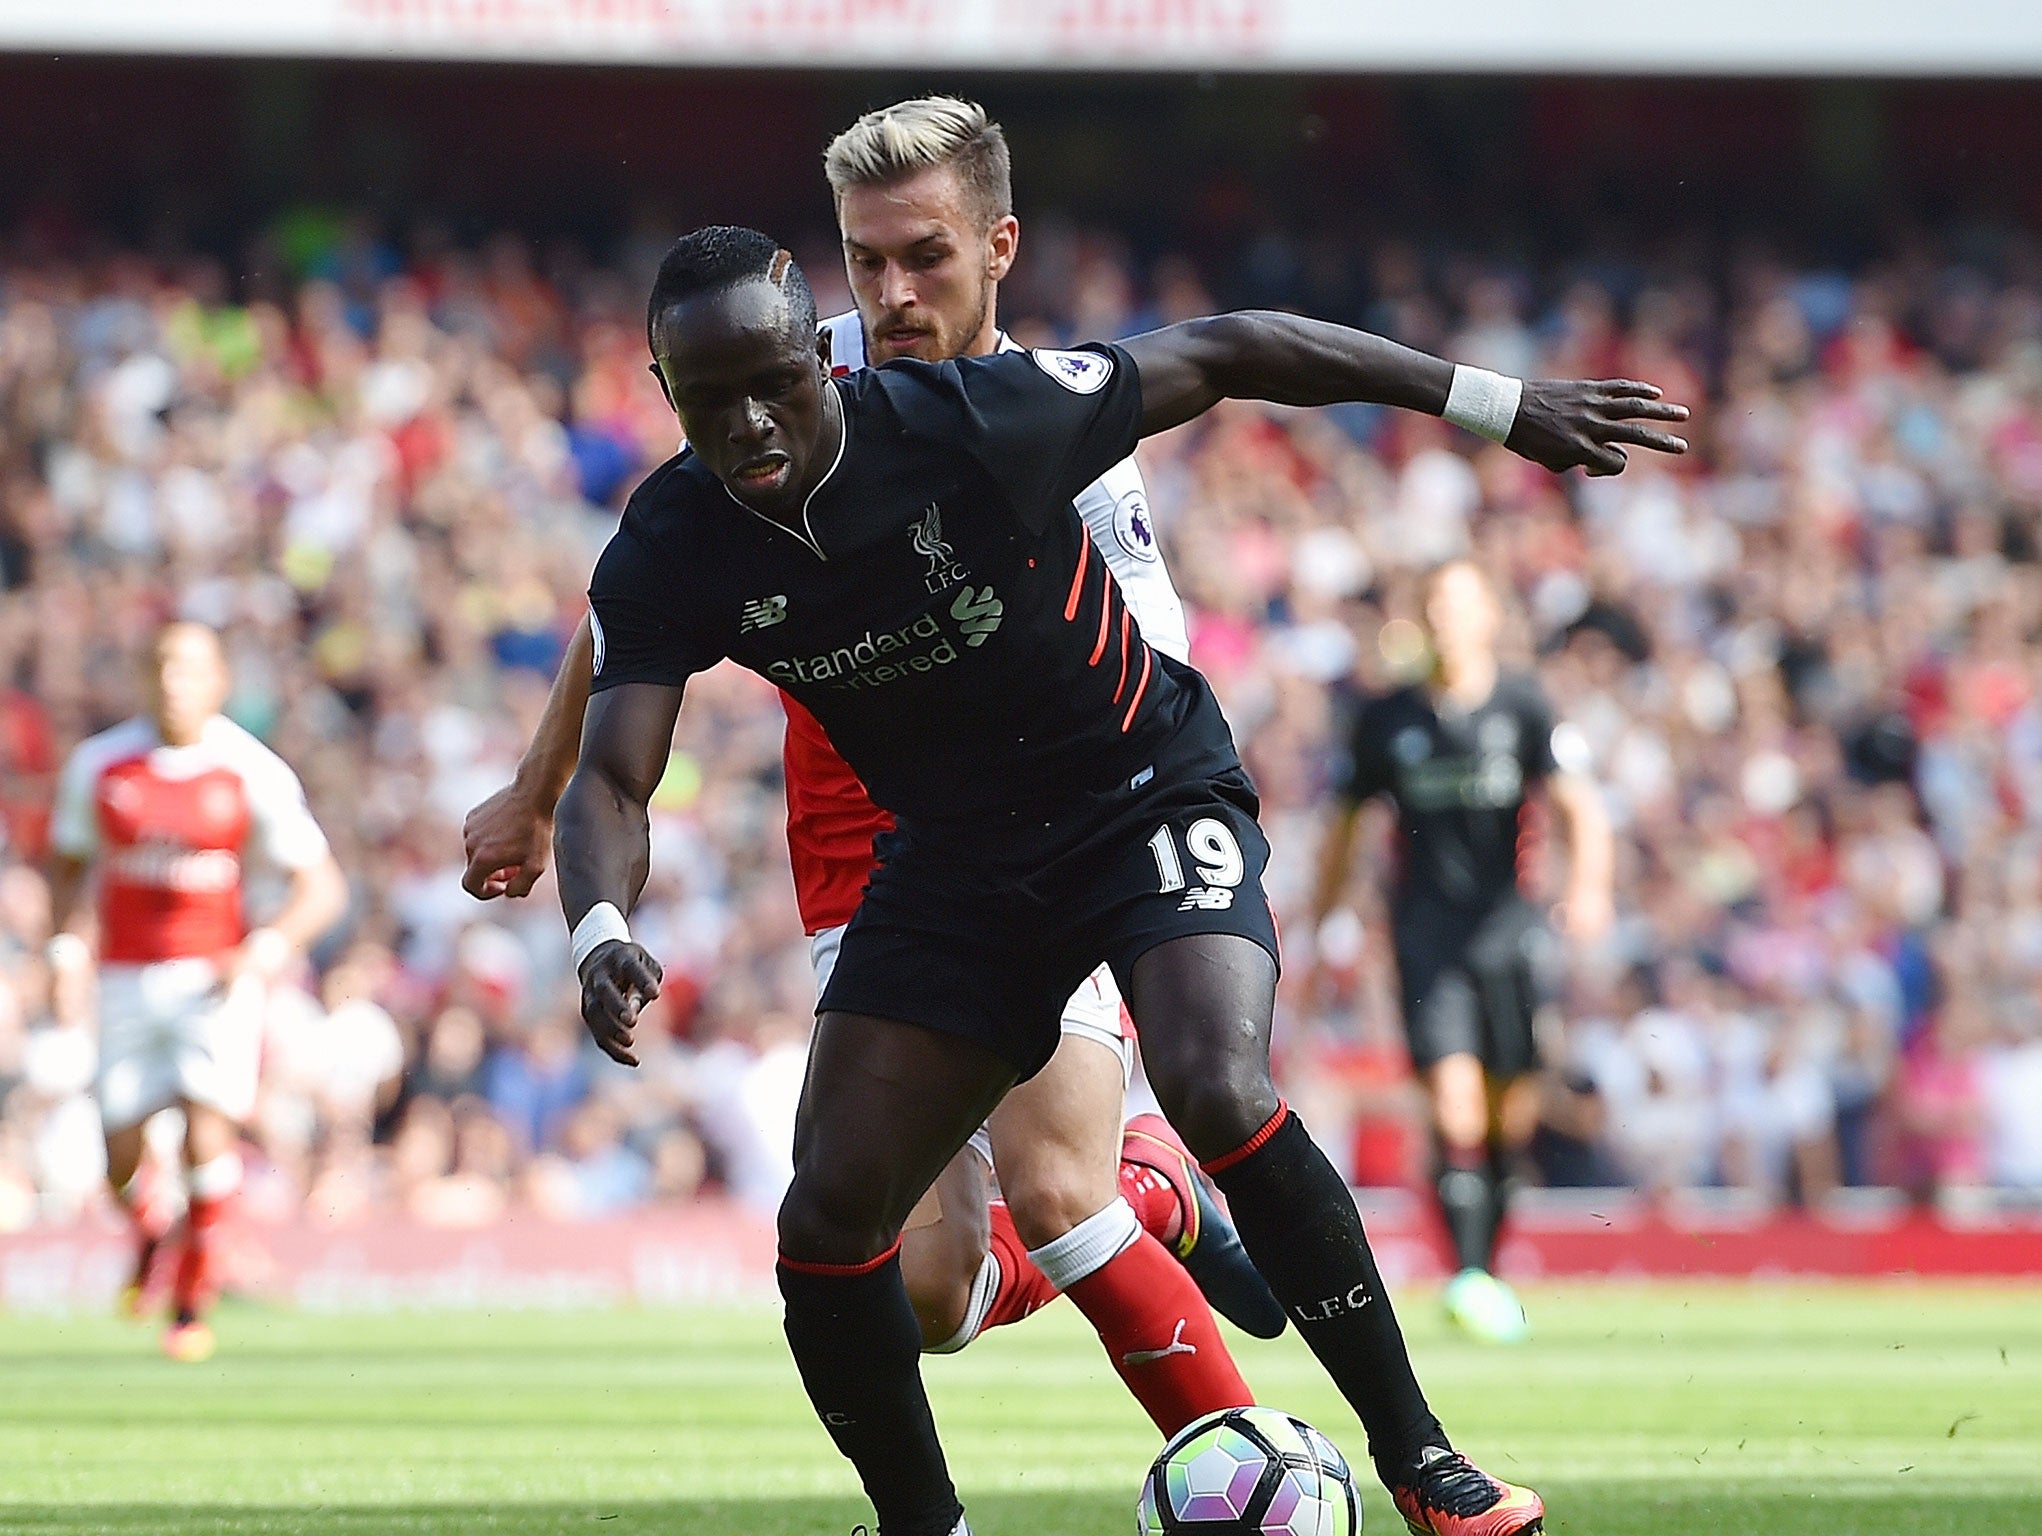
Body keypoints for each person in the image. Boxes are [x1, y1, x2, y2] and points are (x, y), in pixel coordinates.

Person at [558, 222, 1686, 1536]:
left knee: (1215, 1078)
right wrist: (597, 926)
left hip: (1138, 789)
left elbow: (1227, 350)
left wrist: (1495, 405)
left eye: (773, 382)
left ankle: (1425, 1461)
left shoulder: (964, 418)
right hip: (962, 863)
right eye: (708, 402)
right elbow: (615, 775)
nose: (748, 423)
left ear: (825, 354)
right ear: (665, 394)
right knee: (827, 1224)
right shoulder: (676, 538)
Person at [462, 96, 1280, 1439]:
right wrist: (542, 785)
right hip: (854, 826)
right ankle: (1160, 1190)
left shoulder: (1049, 422)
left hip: (1039, 803)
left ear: (995, 251)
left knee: (1056, 1192)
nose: (892, 293)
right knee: (929, 1290)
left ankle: (1253, 1471)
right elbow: (641, 598)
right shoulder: (778, 375)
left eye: (923, 259)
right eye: (866, 260)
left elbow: (1150, 658)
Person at [1310, 561, 1614, 1343]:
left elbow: (1581, 809)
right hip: (1425, 938)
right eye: (1434, 603)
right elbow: (1347, 827)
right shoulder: (1386, 718)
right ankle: (1470, 1276)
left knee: (1509, 1111)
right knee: (1455, 1105)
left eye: (1460, 603)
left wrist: (1588, 891)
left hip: (1510, 933)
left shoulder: (1525, 705)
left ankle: (1488, 1266)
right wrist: (1325, 917)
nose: (1446, 618)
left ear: (1489, 617)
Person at [47, 622, 346, 1361]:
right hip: (122, 978)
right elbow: (65, 863)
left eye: (188, 668)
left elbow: (322, 886)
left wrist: (263, 950)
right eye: (160, 665)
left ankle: (190, 1304)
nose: (173, 681)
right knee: (117, 1153)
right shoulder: (102, 766)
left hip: (213, 981)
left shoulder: (251, 771)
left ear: (218, 682)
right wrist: (63, 951)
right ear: (143, 678)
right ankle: (151, 1227)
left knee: (207, 1135)